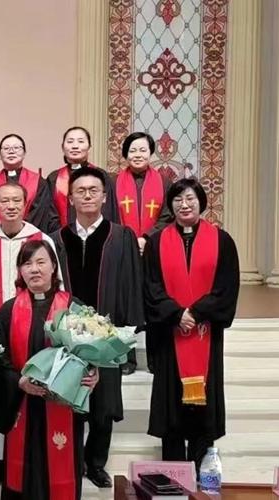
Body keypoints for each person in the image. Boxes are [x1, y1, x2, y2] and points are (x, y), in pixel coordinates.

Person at [51, 166, 144, 488]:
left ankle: (96, 463)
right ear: (71, 197)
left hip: (107, 337)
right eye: (81, 191)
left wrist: (126, 336)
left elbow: (133, 285)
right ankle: (72, 460)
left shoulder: (122, 237)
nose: (87, 195)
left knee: (103, 407)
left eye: (94, 190)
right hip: (68, 338)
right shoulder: (56, 240)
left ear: (105, 197)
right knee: (71, 402)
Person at [0, 240, 99, 500]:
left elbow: (93, 350)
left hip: (62, 407)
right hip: (22, 406)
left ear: (53, 268)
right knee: (22, 475)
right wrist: (19, 382)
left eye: (41, 262)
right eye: (27, 263)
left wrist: (94, 373)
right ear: (20, 271)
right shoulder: (7, 311)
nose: (34, 269)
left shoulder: (74, 307)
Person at [0, 182, 61, 486]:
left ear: (26, 203)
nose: (10, 205)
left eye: (16, 200)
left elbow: (55, 284)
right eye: (4, 201)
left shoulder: (40, 239)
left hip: (36, 327)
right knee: (0, 391)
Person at [143, 178, 239, 472]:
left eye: (190, 199)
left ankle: (200, 472)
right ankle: (173, 475)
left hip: (204, 334)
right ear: (170, 206)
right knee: (171, 408)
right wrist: (175, 314)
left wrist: (195, 313)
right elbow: (150, 286)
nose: (184, 205)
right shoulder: (157, 242)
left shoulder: (222, 240)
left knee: (202, 409)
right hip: (169, 337)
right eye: (178, 200)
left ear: (201, 202)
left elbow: (226, 287)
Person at [0, 133, 59, 233]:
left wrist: (21, 233)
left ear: (24, 153)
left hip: (30, 240)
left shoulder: (39, 182)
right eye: (6, 148)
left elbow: (40, 214)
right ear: (0, 155)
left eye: (16, 147)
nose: (11, 151)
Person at [113, 132, 173, 254]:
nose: (138, 155)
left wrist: (147, 238)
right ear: (126, 154)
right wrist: (127, 239)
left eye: (142, 150)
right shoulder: (113, 183)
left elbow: (168, 216)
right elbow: (111, 215)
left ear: (150, 153)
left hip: (154, 245)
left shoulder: (164, 183)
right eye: (133, 151)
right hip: (122, 247)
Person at [46, 126, 118, 227]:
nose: (75, 146)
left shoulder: (101, 176)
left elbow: (109, 210)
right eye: (70, 142)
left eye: (81, 141)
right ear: (63, 147)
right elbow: (49, 214)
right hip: (62, 237)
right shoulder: (54, 178)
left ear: (89, 146)